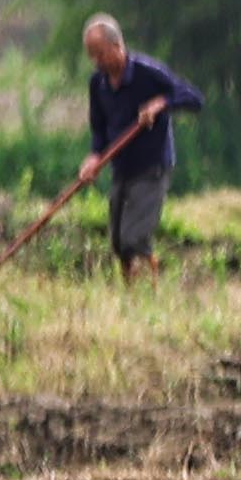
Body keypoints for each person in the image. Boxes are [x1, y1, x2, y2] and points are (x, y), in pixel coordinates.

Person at [79, 15, 208, 284]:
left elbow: (193, 98)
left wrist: (160, 103)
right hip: (120, 166)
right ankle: (132, 291)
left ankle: (150, 286)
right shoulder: (98, 84)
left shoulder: (148, 72)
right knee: (117, 241)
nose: (97, 61)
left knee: (133, 238)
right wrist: (93, 157)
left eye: (100, 53)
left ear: (117, 46)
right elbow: (99, 129)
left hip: (152, 167)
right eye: (92, 56)